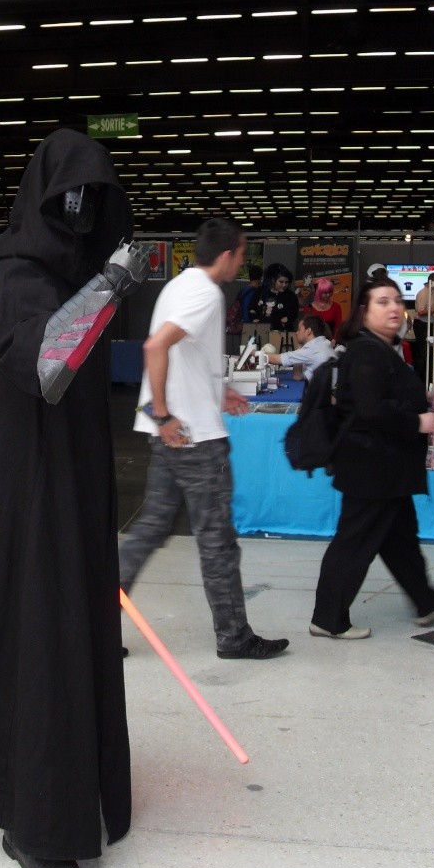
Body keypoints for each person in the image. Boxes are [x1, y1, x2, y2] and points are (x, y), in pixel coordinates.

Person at [0, 128, 146, 868]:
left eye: (95, 198)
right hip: (26, 499)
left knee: (65, 636)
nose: (82, 214)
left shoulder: (63, 271)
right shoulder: (18, 272)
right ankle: (32, 814)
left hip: (67, 489)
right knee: (38, 640)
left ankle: (65, 789)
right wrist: (113, 284)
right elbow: (49, 363)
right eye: (69, 198)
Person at [118, 218, 290, 661]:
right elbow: (156, 347)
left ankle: (93, 627)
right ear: (229, 253)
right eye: (242, 251)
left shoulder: (179, 286)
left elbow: (183, 355)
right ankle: (233, 637)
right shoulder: (205, 293)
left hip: (174, 435)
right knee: (216, 540)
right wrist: (164, 412)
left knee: (150, 531)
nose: (242, 260)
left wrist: (219, 391)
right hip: (194, 440)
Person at [310, 278, 434, 639]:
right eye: (382, 302)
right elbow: (371, 410)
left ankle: (426, 602)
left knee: (400, 538)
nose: (393, 309)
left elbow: (386, 397)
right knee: (354, 543)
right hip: (371, 468)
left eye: (396, 302)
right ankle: (328, 618)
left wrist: (423, 403)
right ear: (363, 312)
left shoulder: (384, 348)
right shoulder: (367, 352)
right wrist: (417, 420)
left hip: (389, 469)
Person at [263, 315, 336, 382]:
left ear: (308, 331)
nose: (296, 333)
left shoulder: (312, 348)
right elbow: (297, 376)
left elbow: (275, 359)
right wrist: (300, 345)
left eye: (299, 329)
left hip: (325, 395)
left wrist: (254, 352)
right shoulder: (323, 343)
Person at [248, 265, 299, 337]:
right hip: (260, 333)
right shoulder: (261, 292)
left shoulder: (290, 296)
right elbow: (251, 308)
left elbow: (292, 314)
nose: (284, 285)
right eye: (281, 282)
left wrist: (282, 323)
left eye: (286, 282)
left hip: (281, 335)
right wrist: (255, 320)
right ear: (273, 280)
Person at [413, 272, 434, 380]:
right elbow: (420, 312)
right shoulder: (423, 293)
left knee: (429, 354)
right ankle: (420, 380)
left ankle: (428, 378)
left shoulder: (433, 293)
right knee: (423, 354)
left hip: (429, 325)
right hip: (422, 325)